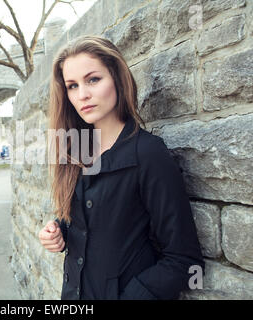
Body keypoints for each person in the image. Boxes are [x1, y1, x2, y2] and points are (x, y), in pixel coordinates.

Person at [38, 35, 204, 300]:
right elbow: (98, 222)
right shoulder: (77, 151)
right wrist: (60, 231)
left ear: (116, 77)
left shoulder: (148, 153)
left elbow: (184, 260)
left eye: (93, 79)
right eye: (72, 85)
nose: (83, 95)